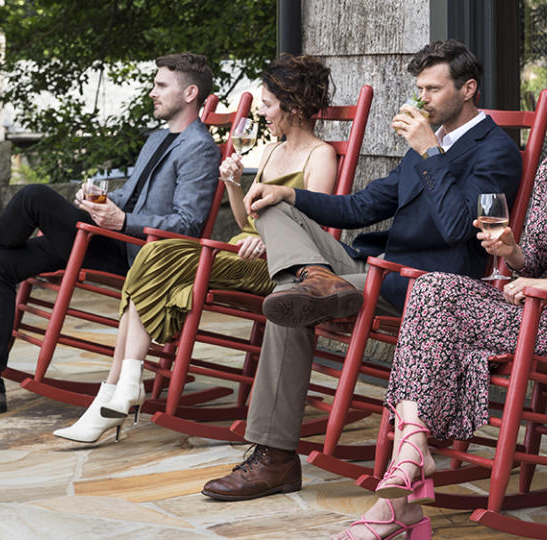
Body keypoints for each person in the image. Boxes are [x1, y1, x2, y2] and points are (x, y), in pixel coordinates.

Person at [334, 66, 547, 540]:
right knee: (433, 287)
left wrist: (546, 289)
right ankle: (412, 450)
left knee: (440, 320)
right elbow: (537, 264)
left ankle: (402, 499)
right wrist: (512, 252)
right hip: (532, 312)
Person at [199, 39, 522, 502]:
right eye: (419, 89)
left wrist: (430, 152)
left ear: (468, 88)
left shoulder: (494, 151)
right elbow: (362, 206)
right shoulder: (428, 141)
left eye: (432, 89)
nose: (421, 99)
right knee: (274, 207)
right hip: (371, 266)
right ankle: (316, 277)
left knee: (290, 302)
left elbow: (457, 228)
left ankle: (275, 457)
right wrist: (291, 195)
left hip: (424, 285)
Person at [0, 52, 221, 418]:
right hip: (109, 237)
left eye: (161, 85)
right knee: (0, 262)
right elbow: (131, 196)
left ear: (189, 93)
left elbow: (188, 224)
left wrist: (122, 222)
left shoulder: (199, 148)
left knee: (34, 196)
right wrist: (98, 202)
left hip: (136, 255)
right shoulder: (158, 139)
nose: (152, 92)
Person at [52, 53, 339, 444]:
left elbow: (314, 226)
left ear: (294, 106)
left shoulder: (320, 155)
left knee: (157, 254)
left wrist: (268, 238)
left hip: (278, 263)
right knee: (156, 251)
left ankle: (118, 390)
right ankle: (125, 383)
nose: (264, 114)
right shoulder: (271, 151)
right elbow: (244, 222)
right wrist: (235, 185)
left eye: (269, 105)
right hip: (243, 248)